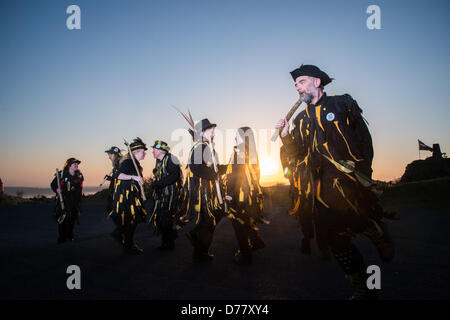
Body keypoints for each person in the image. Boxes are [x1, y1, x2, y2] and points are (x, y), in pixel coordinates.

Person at [276, 64, 394, 299]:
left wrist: (363, 173)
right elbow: (297, 155)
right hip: (319, 186)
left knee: (357, 217)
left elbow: (363, 139)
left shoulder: (342, 103)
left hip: (348, 179)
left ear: (316, 82)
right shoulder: (300, 119)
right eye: (296, 85)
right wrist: (286, 136)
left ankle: (374, 230)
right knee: (333, 238)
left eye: (301, 82)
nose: (297, 88)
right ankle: (362, 286)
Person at [177, 118, 227, 262]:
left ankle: (199, 247)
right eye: (211, 130)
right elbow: (196, 167)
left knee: (209, 220)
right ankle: (199, 247)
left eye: (213, 130)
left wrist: (226, 168)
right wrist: (215, 175)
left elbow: (212, 167)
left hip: (205, 190)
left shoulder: (205, 146)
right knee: (210, 221)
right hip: (203, 191)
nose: (213, 133)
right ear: (203, 133)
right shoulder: (201, 147)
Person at [224, 127, 266, 265]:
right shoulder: (252, 152)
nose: (235, 137)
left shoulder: (240, 152)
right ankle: (256, 241)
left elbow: (237, 175)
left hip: (240, 196)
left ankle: (246, 256)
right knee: (245, 220)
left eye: (237, 135)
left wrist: (230, 194)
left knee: (238, 225)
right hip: (250, 196)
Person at [110, 138, 148, 255]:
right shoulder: (129, 162)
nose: (145, 153)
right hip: (127, 197)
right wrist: (134, 177)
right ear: (136, 152)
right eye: (143, 151)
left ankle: (126, 242)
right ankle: (128, 245)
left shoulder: (134, 162)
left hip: (132, 195)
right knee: (131, 220)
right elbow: (118, 175)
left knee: (131, 221)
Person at [148, 140, 183, 251]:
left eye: (154, 149)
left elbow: (174, 176)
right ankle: (167, 241)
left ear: (161, 151)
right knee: (162, 219)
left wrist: (157, 183)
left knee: (166, 219)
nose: (152, 151)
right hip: (162, 195)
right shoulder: (159, 161)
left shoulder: (171, 159)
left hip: (170, 195)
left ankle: (169, 243)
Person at [51, 157, 84, 244]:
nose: (76, 165)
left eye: (77, 164)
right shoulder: (61, 175)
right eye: (74, 164)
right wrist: (57, 190)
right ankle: (62, 237)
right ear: (69, 165)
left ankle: (70, 235)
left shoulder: (79, 176)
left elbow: (79, 188)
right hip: (64, 201)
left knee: (72, 219)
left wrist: (79, 201)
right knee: (62, 219)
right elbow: (53, 184)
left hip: (74, 201)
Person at [104, 146, 123, 245]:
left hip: (119, 194)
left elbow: (122, 178)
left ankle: (121, 230)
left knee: (116, 212)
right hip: (114, 193)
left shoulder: (120, 163)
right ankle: (120, 230)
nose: (109, 157)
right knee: (111, 210)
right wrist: (111, 178)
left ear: (115, 154)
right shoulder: (116, 164)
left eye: (110, 154)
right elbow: (117, 178)